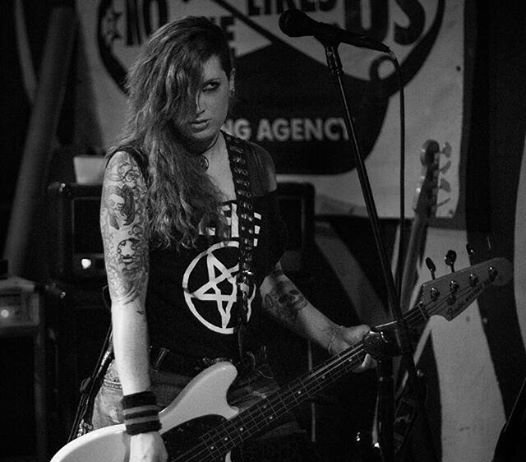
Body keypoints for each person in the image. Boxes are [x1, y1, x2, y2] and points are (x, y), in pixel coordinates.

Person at [93, 15, 373, 462]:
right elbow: (128, 302)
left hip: (241, 374)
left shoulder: (255, 165)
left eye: (210, 87)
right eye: (182, 91)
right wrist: (142, 423)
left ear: (231, 82)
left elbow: (264, 278)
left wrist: (333, 336)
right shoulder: (134, 169)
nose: (197, 107)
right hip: (154, 381)